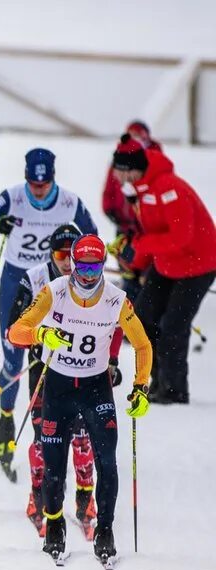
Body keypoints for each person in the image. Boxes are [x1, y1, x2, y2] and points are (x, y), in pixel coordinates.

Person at [7, 234, 152, 565]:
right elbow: (16, 331)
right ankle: (55, 524)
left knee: (106, 461)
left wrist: (141, 386)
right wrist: (41, 334)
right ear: (71, 263)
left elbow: (142, 345)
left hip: (95, 388)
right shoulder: (53, 292)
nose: (87, 274)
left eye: (94, 266)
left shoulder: (117, 300)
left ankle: (105, 531)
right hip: (58, 386)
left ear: (102, 265)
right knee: (54, 464)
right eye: (81, 265)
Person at [0, 148, 97, 473]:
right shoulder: (11, 198)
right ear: (26, 176)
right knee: (14, 353)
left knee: (60, 357)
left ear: (53, 178)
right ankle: (6, 419)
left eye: (44, 183)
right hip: (19, 280)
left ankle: (58, 435)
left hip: (60, 285)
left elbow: (94, 241)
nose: (38, 189)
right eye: (33, 183)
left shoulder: (70, 203)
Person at [5, 224, 111, 537]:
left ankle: (84, 502)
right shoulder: (36, 278)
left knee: (82, 436)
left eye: (71, 254)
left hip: (83, 370)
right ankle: (38, 499)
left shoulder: (91, 282)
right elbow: (13, 327)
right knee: (45, 436)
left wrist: (113, 362)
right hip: (44, 367)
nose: (66, 261)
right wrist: (38, 337)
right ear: (50, 253)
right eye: (60, 254)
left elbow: (111, 323)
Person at [110, 138, 216, 404]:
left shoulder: (169, 188)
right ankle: (154, 382)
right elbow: (153, 233)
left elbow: (181, 237)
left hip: (198, 264)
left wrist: (141, 245)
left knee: (173, 327)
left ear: (132, 169)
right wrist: (133, 262)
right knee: (142, 318)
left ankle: (174, 390)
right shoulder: (142, 191)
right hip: (167, 262)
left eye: (120, 170)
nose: (116, 176)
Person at [102, 122, 161, 302]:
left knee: (146, 272)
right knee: (128, 270)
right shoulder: (119, 161)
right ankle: (130, 305)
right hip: (125, 226)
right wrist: (111, 211)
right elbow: (109, 189)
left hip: (145, 230)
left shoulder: (150, 162)